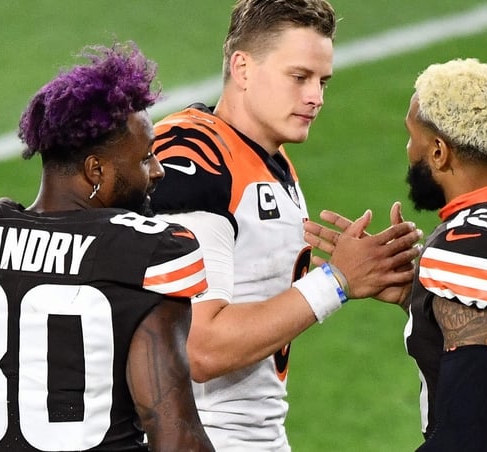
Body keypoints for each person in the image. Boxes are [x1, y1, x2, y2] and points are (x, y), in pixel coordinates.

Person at [148, 0, 423, 450]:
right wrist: (337, 280)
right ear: (242, 68)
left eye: (322, 81)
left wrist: (373, 273)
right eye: (299, 77)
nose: (316, 97)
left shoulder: (268, 158)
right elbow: (201, 347)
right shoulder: (194, 159)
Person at [305, 58, 487, 451]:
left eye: (413, 137)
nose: (409, 149)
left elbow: (464, 440)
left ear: (439, 152)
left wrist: (445, 273)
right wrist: (419, 295)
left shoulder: (467, 251)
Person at [0, 42, 214, 451]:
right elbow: (176, 436)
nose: (158, 170)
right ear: (95, 170)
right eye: (144, 157)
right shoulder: (144, 253)